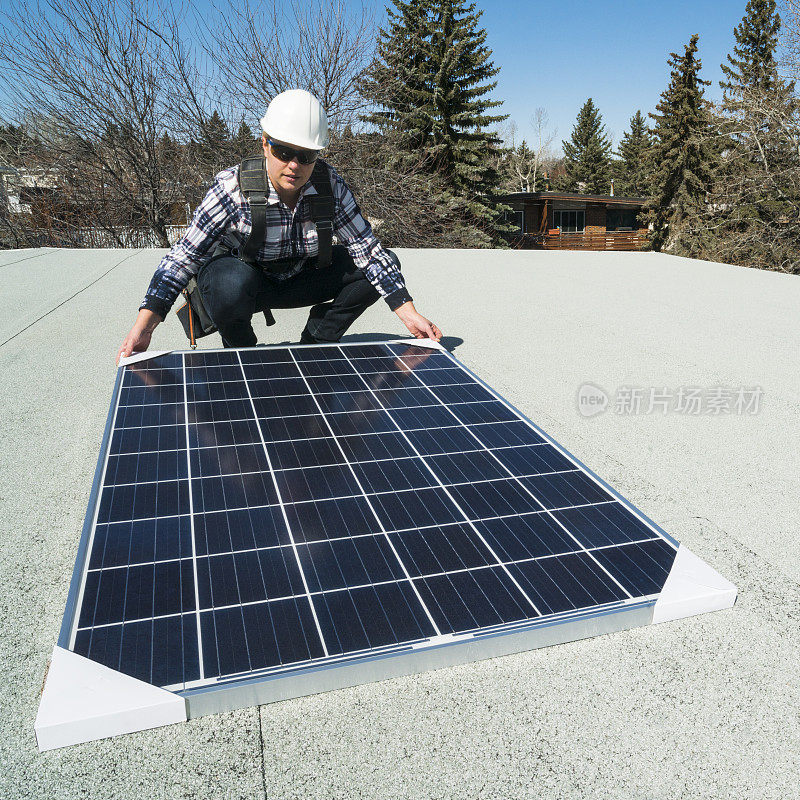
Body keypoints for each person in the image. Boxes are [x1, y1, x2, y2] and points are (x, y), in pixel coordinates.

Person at [117, 89, 442, 363]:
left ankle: (319, 336)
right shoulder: (233, 187)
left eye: (306, 154)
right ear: (265, 143)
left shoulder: (330, 186)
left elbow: (367, 250)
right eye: (284, 150)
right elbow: (182, 258)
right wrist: (145, 325)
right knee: (228, 283)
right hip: (247, 282)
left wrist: (407, 311)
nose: (294, 164)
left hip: (301, 276)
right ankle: (241, 353)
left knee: (383, 263)